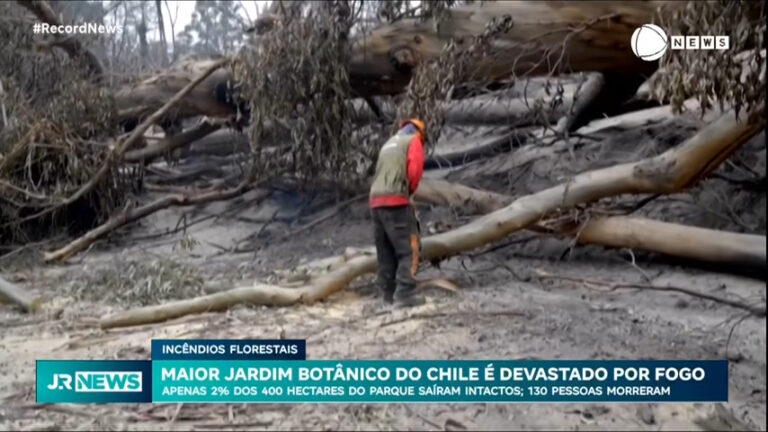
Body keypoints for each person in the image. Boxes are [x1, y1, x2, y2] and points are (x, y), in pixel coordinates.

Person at [369, 118, 427, 307]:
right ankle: (405, 292)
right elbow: (415, 170)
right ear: (418, 132)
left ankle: (386, 294)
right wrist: (409, 191)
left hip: (376, 201)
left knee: (385, 250)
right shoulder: (413, 141)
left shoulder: (388, 144)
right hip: (396, 200)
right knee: (408, 249)